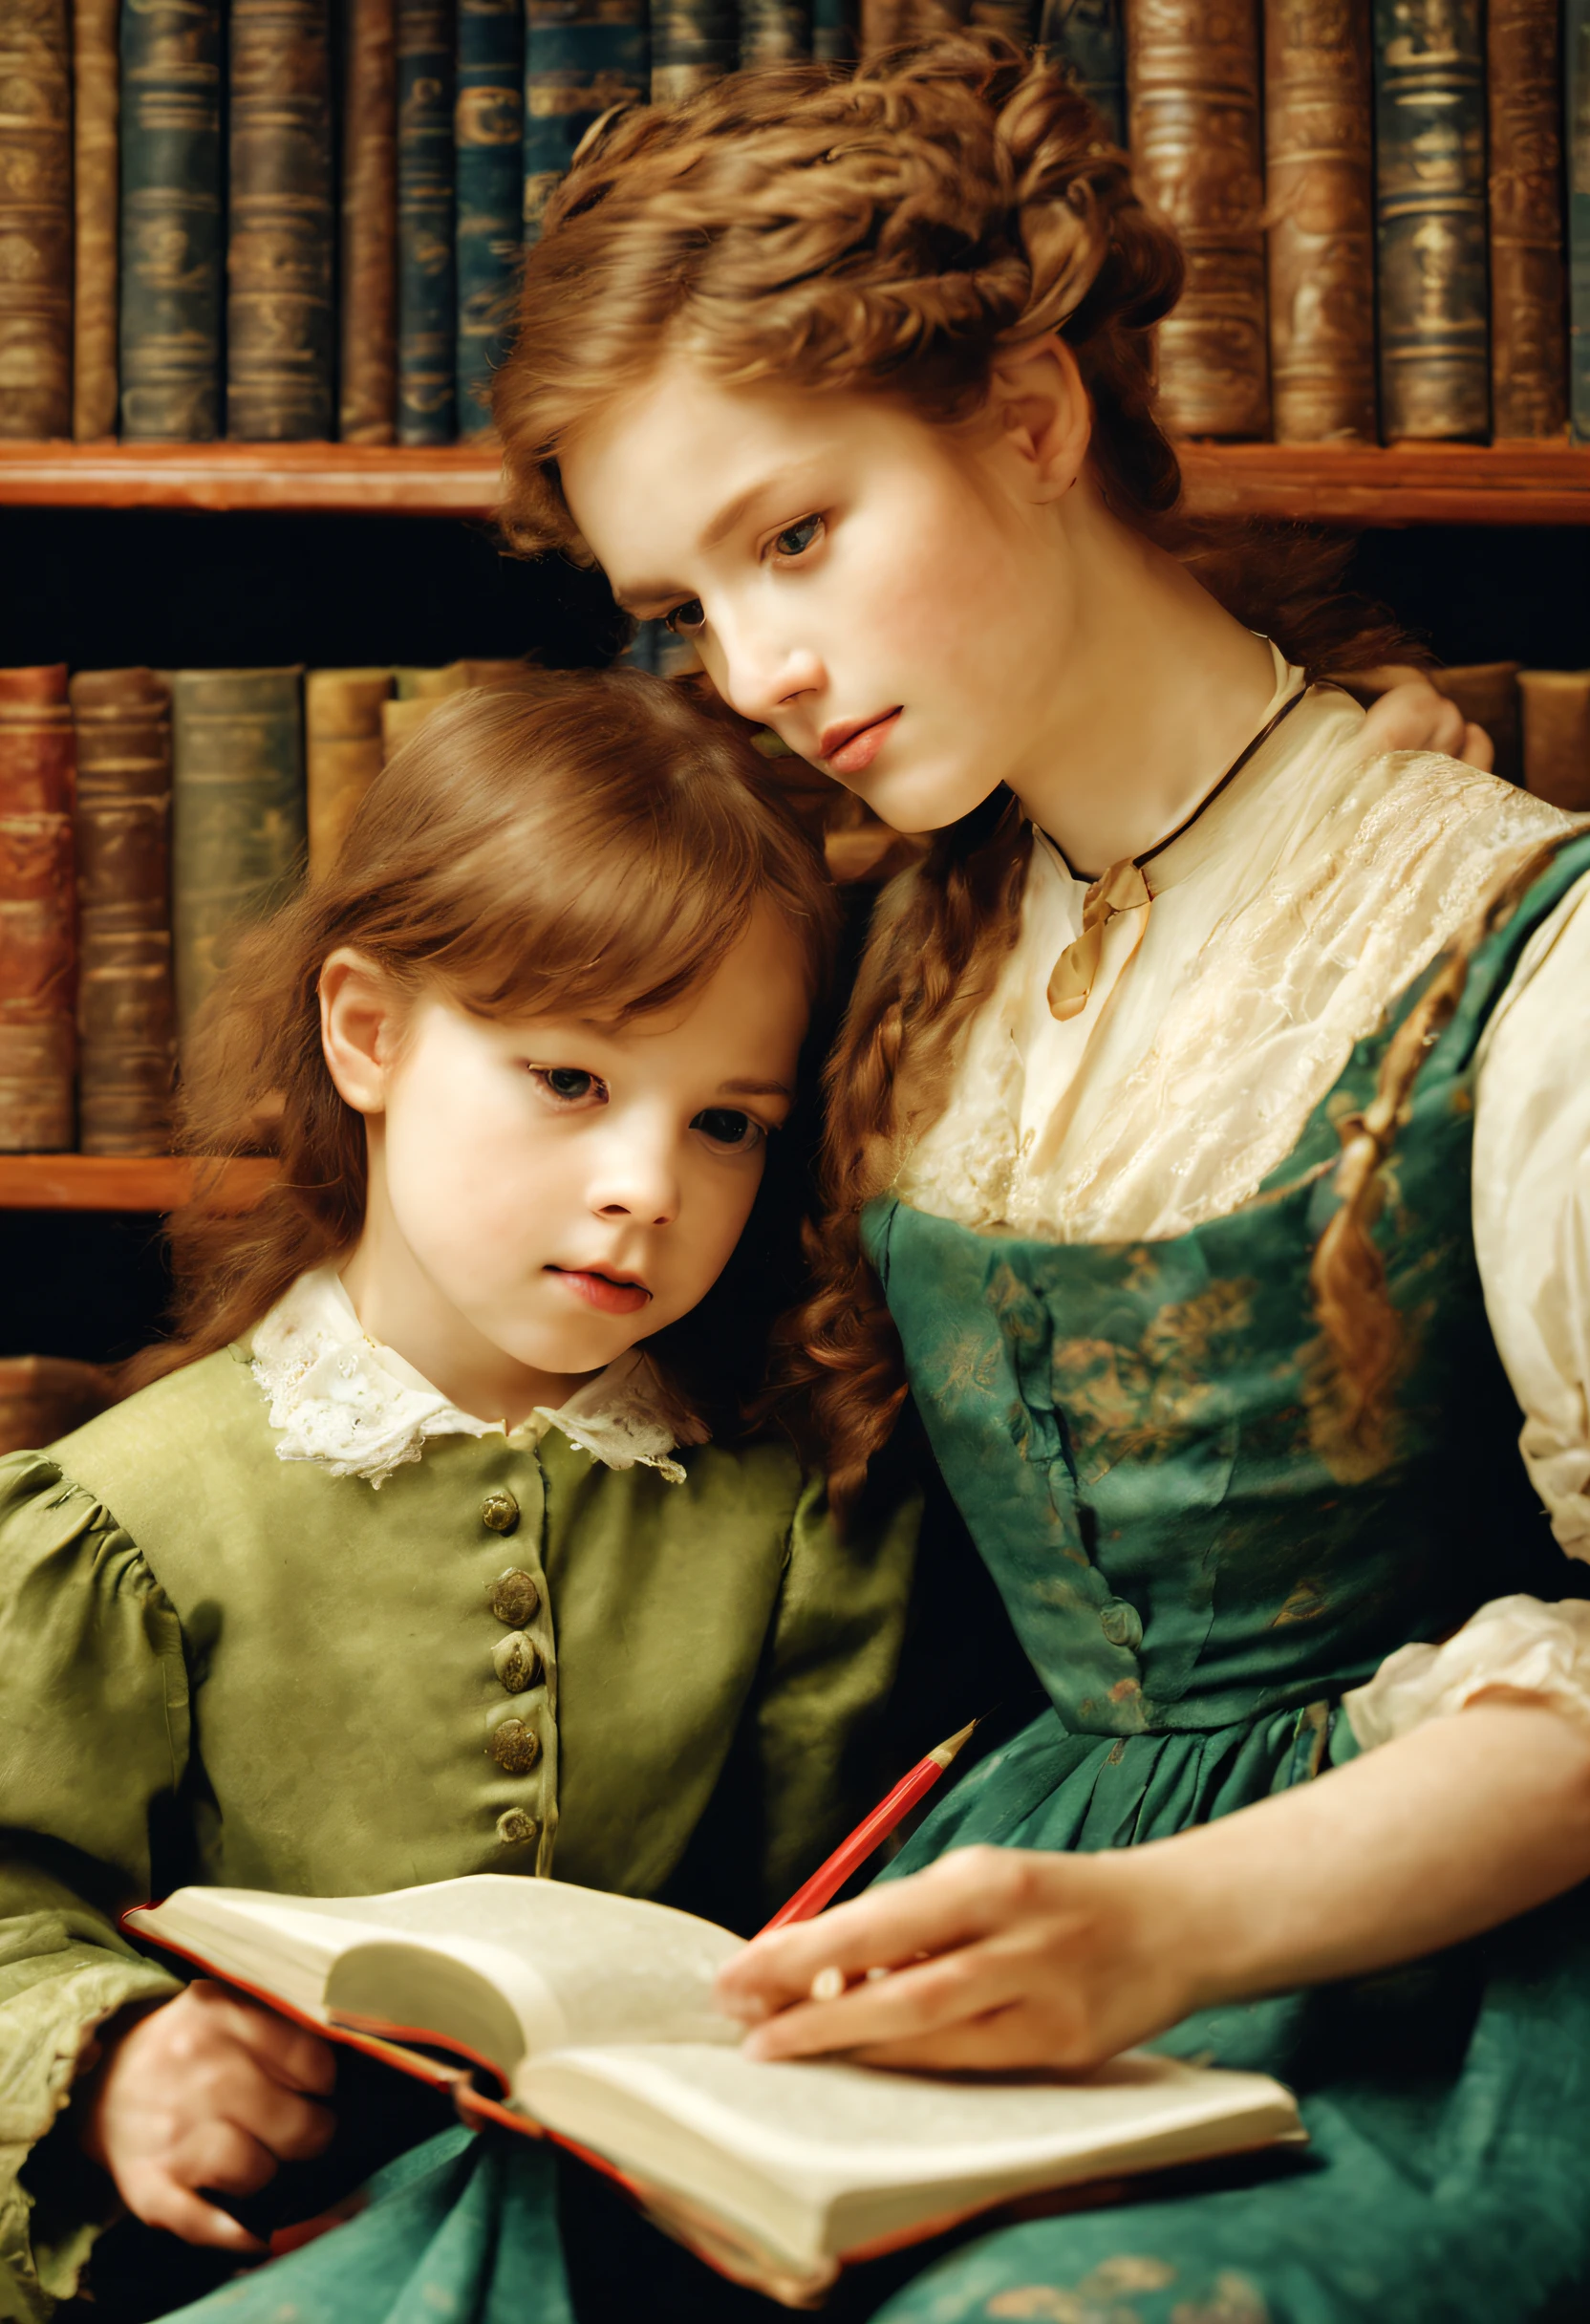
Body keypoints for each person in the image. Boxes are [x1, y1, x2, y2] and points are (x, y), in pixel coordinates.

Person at [143, 33, 1590, 2324]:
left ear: (1029, 413)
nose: (763, 669)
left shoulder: (1519, 948)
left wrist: (1168, 1925)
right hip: (968, 1896)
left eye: (796, 534)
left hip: (1414, 1983)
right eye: (686, 604)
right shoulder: (891, 933)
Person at [0, 674, 923, 2323]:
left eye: (725, 1124)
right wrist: (117, 2059)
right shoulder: (122, 1520)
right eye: (570, 1081)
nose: (647, 1185)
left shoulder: (795, 1516)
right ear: (368, 1031)